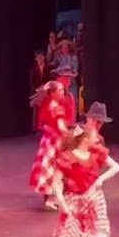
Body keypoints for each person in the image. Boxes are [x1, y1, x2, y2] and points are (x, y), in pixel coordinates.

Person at [49, 126, 119, 237]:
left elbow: (116, 167)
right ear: (84, 139)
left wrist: (101, 179)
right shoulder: (67, 158)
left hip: (94, 200)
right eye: (92, 136)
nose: (96, 139)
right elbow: (56, 183)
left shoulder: (96, 153)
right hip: (75, 202)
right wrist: (63, 205)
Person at [29, 80, 73, 211]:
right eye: (59, 90)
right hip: (54, 142)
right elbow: (60, 127)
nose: (62, 92)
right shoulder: (55, 106)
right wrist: (71, 135)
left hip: (49, 140)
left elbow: (47, 124)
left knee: (52, 169)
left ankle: (53, 198)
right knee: (53, 169)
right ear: (52, 93)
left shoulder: (50, 104)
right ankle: (51, 199)